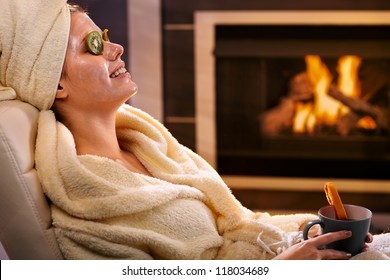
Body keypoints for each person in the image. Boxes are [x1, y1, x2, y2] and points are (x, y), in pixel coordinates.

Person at [0, 0, 382, 260]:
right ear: (55, 84)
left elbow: (239, 224)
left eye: (105, 35)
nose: (115, 48)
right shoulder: (89, 200)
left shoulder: (146, 142)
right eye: (92, 46)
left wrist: (311, 233)